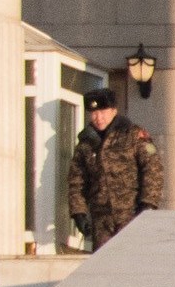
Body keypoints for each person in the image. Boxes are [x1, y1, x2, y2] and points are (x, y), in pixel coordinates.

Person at [67, 92, 164, 251]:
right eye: (94, 113)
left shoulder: (134, 135)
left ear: (114, 111)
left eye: (103, 112)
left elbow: (153, 168)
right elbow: (76, 181)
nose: (98, 118)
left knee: (131, 263)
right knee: (104, 267)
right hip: (101, 219)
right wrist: (79, 212)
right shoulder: (85, 144)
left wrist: (148, 203)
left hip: (131, 213)